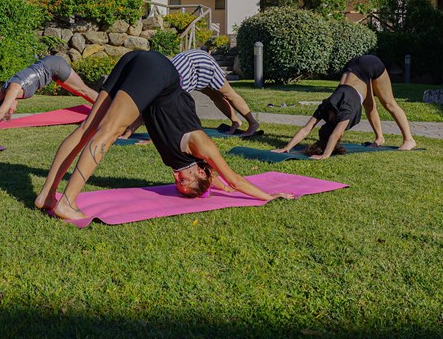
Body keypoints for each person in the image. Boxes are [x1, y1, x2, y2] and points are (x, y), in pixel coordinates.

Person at [34, 50, 293, 223]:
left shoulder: (184, 163)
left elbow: (220, 184)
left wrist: (216, 186)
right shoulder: (201, 145)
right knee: (107, 133)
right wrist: (268, 197)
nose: (177, 181)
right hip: (158, 71)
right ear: (202, 172)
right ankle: (67, 202)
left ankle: (47, 194)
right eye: (185, 183)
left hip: (138, 62)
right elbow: (234, 180)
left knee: (87, 129)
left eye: (178, 186)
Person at [273, 54, 417, 159]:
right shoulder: (325, 107)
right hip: (354, 68)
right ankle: (379, 138)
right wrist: (287, 148)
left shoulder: (344, 111)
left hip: (371, 64)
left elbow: (336, 134)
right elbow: (306, 129)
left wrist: (325, 155)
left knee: (389, 103)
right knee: (368, 104)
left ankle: (409, 140)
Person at [123, 49, 260, 138]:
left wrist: (156, 139)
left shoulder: (172, 87)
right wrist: (129, 130)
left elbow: (170, 116)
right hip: (190, 68)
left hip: (202, 63)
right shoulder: (156, 85)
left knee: (227, 93)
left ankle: (252, 123)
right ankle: (235, 121)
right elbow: (145, 109)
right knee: (213, 95)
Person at [0, 55, 98, 131]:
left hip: (55, 65)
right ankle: (105, 104)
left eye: (10, 110)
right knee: (80, 91)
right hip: (49, 66)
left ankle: (108, 104)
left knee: (83, 90)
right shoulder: (3, 91)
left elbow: (0, 111)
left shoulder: (12, 89)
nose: (12, 111)